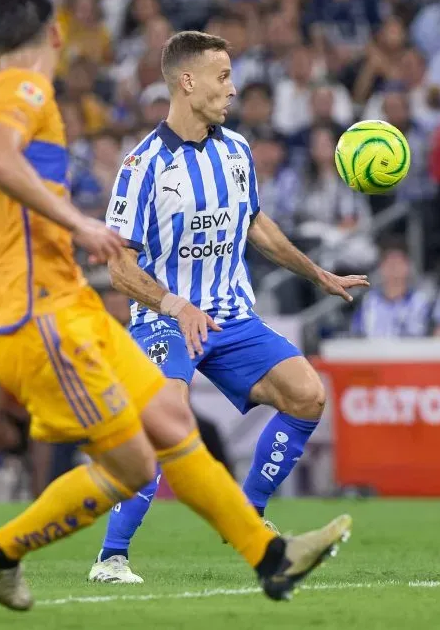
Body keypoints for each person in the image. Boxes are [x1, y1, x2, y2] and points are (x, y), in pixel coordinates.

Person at [0, 0, 351, 611]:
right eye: (223, 76)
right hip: (44, 313)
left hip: (82, 305)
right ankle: (47, 552)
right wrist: (78, 225)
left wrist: (0, 228)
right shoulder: (24, 90)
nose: (233, 87)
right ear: (56, 37)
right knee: (138, 453)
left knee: (170, 431)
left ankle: (268, 554)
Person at [88, 29, 368, 585]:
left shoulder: (236, 151)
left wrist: (316, 273)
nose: (232, 89)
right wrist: (175, 305)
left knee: (308, 395)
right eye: (222, 77)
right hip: (163, 319)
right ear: (186, 82)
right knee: (165, 426)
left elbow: (256, 225)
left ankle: (248, 519)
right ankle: (111, 558)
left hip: (232, 316)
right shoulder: (143, 164)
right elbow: (118, 266)